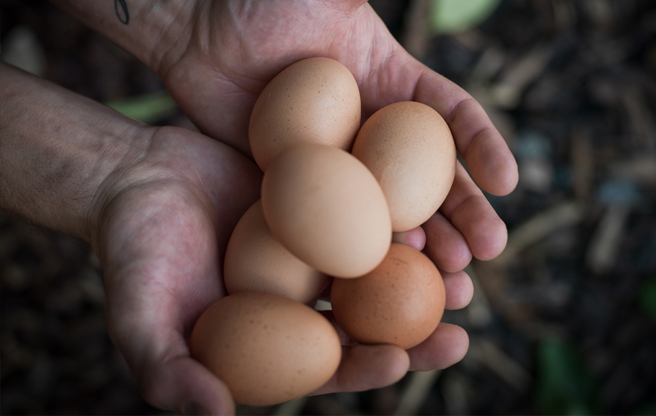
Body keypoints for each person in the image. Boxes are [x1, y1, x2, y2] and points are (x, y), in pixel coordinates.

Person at [0, 1, 518, 414]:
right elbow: (312, 186)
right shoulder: (325, 193)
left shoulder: (335, 201)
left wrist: (111, 180)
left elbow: (316, 190)